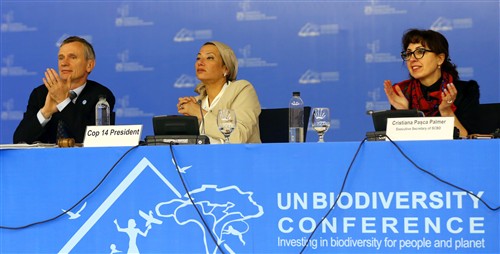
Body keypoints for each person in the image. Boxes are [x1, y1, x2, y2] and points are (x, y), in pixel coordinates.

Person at [13, 36, 115, 144]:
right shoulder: (41, 93)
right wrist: (45, 112)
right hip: (45, 159)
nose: (64, 63)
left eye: (72, 57)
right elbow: (20, 140)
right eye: (61, 58)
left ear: (89, 65)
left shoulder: (101, 96)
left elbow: (97, 141)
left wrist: (64, 102)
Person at [383, 29, 480, 137]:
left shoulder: (465, 91)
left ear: (440, 59)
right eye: (409, 53)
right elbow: (399, 144)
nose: (412, 59)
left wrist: (446, 111)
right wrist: (405, 113)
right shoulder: (403, 92)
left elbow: (468, 139)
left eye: (420, 52)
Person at [177, 41, 261, 144]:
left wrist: (199, 113)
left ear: (226, 68)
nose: (200, 62)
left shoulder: (241, 90)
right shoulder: (197, 102)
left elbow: (238, 138)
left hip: (238, 159)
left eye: (210, 58)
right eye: (198, 58)